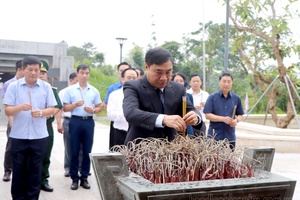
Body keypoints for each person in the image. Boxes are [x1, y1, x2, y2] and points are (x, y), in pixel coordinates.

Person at [2, 56, 57, 200]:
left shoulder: (46, 87)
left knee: (35, 171)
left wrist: (41, 113)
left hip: (39, 137)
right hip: (18, 136)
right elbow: (7, 110)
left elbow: (52, 109)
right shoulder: (14, 86)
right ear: (23, 70)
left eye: (36, 70)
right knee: (19, 171)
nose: (33, 73)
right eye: (30, 69)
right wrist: (19, 107)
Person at [123, 47, 203, 144]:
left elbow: (190, 109)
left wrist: (196, 117)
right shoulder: (133, 86)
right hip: (141, 151)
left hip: (171, 151)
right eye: (159, 72)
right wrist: (163, 119)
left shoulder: (178, 89)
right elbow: (131, 113)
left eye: (168, 72)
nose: (164, 78)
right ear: (147, 67)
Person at [63, 64, 102, 190]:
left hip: (88, 122)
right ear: (77, 73)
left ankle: (84, 177)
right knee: (74, 150)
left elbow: (99, 107)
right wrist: (74, 105)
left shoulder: (94, 90)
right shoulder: (70, 90)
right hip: (75, 121)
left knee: (87, 150)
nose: (84, 75)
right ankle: (74, 178)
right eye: (82, 73)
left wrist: (93, 110)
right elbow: (65, 107)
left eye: (87, 73)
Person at [203, 72, 244, 150]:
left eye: (229, 82)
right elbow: (207, 115)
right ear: (219, 82)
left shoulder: (236, 98)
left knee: (230, 161)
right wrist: (223, 119)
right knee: (213, 161)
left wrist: (236, 120)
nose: (226, 84)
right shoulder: (212, 97)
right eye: (224, 81)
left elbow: (240, 114)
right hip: (214, 136)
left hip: (230, 137)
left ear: (232, 83)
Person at [39, 60, 63, 192]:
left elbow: (58, 105)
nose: (41, 75)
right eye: (39, 72)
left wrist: (50, 113)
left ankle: (43, 180)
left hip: (47, 127)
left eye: (44, 72)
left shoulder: (51, 89)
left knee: (45, 156)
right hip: (32, 128)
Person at [1, 60, 24, 182]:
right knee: (11, 146)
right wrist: (10, 120)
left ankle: (19, 170)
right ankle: (7, 170)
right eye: (27, 69)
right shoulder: (9, 84)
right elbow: (6, 105)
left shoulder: (29, 84)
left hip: (25, 121)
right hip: (14, 120)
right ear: (20, 69)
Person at [102, 62, 131, 149]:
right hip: (118, 126)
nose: (131, 80)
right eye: (121, 70)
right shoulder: (113, 90)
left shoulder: (141, 93)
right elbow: (107, 106)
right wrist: (124, 114)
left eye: (134, 78)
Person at [107, 68, 138, 146]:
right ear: (122, 79)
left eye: (134, 78)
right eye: (129, 78)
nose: (131, 80)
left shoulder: (141, 95)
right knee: (119, 157)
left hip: (136, 134)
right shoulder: (114, 95)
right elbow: (110, 115)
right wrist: (126, 114)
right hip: (120, 132)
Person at [56, 72, 78, 177]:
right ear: (71, 80)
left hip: (82, 121)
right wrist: (59, 123)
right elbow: (59, 109)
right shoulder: (63, 92)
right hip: (69, 120)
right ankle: (68, 167)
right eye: (76, 81)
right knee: (69, 145)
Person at [171, 72, 195, 136]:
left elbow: (191, 110)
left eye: (181, 81)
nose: (179, 82)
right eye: (176, 81)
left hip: (187, 126)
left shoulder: (189, 96)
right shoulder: (168, 96)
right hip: (174, 126)